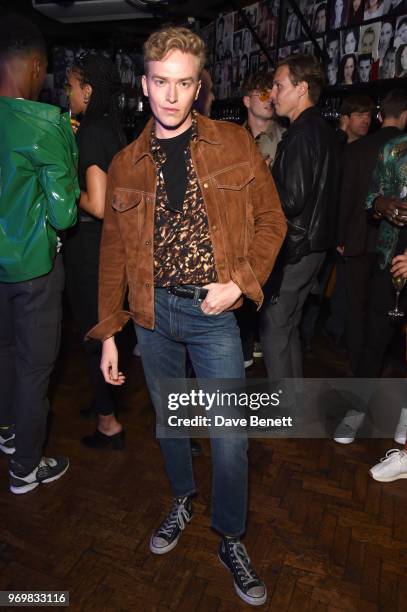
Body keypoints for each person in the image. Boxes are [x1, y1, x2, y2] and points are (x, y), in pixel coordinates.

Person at [87, 26, 286, 607]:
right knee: (169, 422)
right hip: (151, 315)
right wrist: (109, 333)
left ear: (198, 87)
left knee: (229, 436)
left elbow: (272, 221)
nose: (170, 96)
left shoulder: (233, 142)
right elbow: (114, 255)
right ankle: (180, 499)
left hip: (211, 310)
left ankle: (229, 535)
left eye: (183, 83)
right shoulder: (125, 162)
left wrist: (240, 284)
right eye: (160, 82)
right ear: (144, 85)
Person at [0, 14, 79, 492]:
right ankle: (26, 467)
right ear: (33, 65)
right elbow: (66, 213)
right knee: (34, 367)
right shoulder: (43, 122)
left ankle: (8, 430)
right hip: (33, 268)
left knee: (4, 351)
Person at [260, 54, 341, 381]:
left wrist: (263, 178)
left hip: (297, 246)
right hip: (314, 244)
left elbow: (291, 199)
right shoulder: (321, 129)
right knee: (288, 325)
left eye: (279, 86)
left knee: (274, 327)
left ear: (302, 88)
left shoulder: (301, 134)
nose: (273, 94)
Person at [63, 53, 126, 448]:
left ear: (87, 90)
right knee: (102, 332)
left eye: (70, 86)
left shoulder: (91, 132)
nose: (67, 93)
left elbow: (99, 204)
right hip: (105, 246)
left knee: (93, 332)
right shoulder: (109, 127)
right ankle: (102, 401)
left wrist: (64, 186)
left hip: (90, 247)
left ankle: (108, 423)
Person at [337, 90, 407, 378]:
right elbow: (369, 199)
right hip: (389, 258)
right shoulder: (394, 150)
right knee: (375, 337)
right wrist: (381, 204)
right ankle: (360, 410)